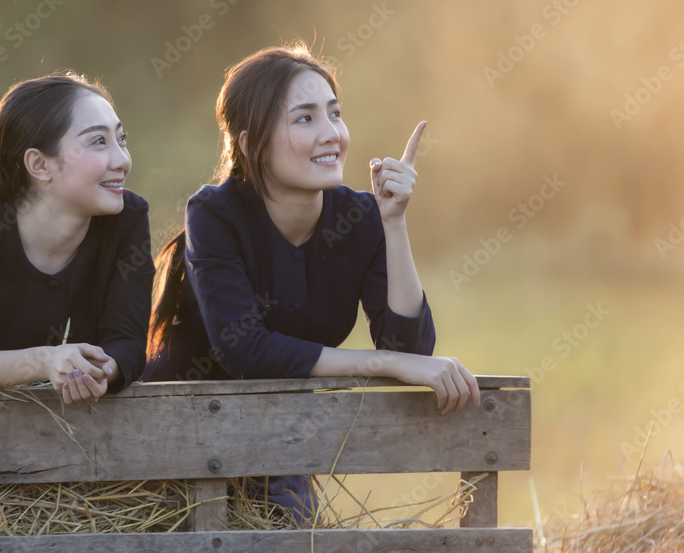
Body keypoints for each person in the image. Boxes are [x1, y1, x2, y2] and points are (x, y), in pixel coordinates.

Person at [141, 44, 480, 523]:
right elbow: (247, 350)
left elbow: (409, 348)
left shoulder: (360, 216)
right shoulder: (216, 213)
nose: (332, 135)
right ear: (249, 143)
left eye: (335, 114)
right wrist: (384, 363)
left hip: (280, 446)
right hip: (174, 443)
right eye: (304, 119)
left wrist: (394, 224)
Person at [0, 73, 154, 403]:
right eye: (98, 141)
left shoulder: (126, 219)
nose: (123, 160)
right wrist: (46, 361)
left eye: (121, 139)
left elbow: (127, 345)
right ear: (39, 164)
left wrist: (100, 372)